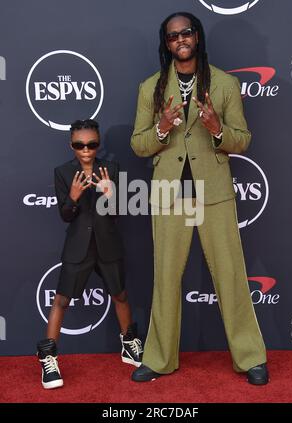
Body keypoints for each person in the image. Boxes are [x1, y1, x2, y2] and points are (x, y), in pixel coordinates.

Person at [130, 12, 269, 385]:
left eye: (186, 32)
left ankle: (250, 356)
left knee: (231, 276)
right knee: (166, 278)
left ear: (197, 37)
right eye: (173, 36)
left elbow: (243, 139)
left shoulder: (223, 84)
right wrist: (160, 129)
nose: (180, 39)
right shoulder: (152, 88)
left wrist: (217, 129)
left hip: (214, 191)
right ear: (167, 44)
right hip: (169, 194)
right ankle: (159, 358)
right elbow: (139, 144)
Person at [37, 119, 143, 389]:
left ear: (98, 144)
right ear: (71, 145)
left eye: (91, 144)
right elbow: (65, 215)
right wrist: (72, 197)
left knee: (120, 294)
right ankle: (48, 359)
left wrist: (110, 195)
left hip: (108, 244)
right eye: (79, 145)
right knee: (61, 300)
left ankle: (129, 344)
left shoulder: (113, 169)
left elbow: (118, 213)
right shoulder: (62, 172)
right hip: (78, 247)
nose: (86, 149)